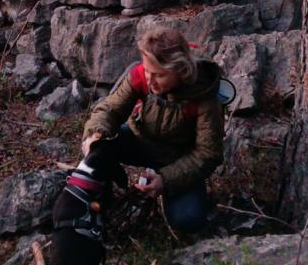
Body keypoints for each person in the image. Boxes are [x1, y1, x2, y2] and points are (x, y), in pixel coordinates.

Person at [81, 27, 224, 232]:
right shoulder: (140, 76)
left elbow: (208, 154)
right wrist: (95, 135)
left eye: (159, 75)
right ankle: (98, 197)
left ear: (180, 70)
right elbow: (110, 110)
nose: (149, 80)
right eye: (147, 71)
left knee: (188, 220)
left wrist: (164, 181)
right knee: (99, 147)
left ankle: (167, 195)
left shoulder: (203, 97)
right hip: (139, 141)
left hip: (178, 158)